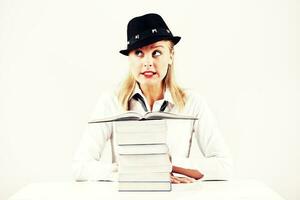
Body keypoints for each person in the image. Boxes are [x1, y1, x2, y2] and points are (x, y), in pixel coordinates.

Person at [73, 13, 233, 184]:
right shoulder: (111, 101)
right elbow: (80, 167)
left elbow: (224, 166)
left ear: (171, 56)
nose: (148, 62)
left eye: (156, 52)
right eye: (139, 53)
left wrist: (171, 166)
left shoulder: (193, 103)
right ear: (130, 58)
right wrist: (125, 173)